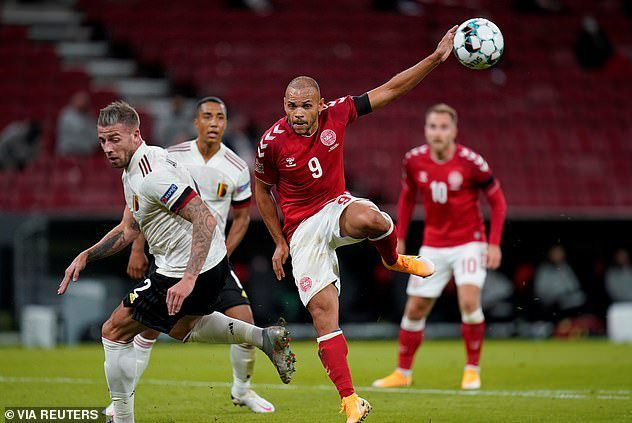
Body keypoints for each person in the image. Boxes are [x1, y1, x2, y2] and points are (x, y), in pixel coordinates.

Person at [254, 27, 457, 422]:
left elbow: (392, 88)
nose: (297, 114)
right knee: (324, 317)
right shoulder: (271, 142)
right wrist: (279, 241)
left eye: (305, 106)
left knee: (374, 219)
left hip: (335, 207)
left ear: (319, 104)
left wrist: (435, 58)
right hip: (301, 231)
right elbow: (262, 192)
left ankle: (394, 259)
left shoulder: (340, 112)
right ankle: (350, 400)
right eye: (291, 106)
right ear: (284, 104)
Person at [58, 101, 295, 423]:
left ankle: (122, 417)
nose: (107, 148)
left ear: (135, 134)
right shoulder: (142, 163)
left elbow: (206, 219)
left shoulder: (153, 176)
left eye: (114, 139)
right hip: (203, 264)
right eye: (102, 140)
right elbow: (130, 228)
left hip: (185, 268)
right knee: (184, 327)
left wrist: (187, 279)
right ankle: (262, 338)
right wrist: (87, 254)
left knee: (113, 330)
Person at [104, 96, 275, 417]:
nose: (213, 123)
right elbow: (143, 201)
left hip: (210, 259)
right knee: (149, 328)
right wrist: (138, 248)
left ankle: (242, 389)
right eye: (207, 117)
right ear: (195, 122)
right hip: (172, 259)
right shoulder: (172, 156)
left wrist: (222, 256)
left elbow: (240, 219)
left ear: (225, 124)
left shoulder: (238, 167)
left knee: (244, 320)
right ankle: (121, 400)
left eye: (220, 118)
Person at [372, 103, 508, 391]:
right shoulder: (413, 160)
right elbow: (407, 198)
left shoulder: (472, 162)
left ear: (454, 131)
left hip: (469, 243)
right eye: (433, 126)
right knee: (415, 309)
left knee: (469, 302)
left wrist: (493, 243)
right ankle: (402, 373)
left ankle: (472, 369)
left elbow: (498, 201)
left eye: (444, 127)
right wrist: (401, 235)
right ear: (426, 129)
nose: (437, 132)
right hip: (433, 245)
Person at [534, 245, 586, 320]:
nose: (559, 255)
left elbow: (574, 285)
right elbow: (539, 292)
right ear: (550, 254)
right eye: (556, 253)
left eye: (560, 253)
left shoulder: (565, 267)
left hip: (568, 302)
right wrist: (556, 295)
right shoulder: (544, 270)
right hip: (551, 304)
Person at [56, 91, 97, 155]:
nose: (83, 102)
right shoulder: (66, 115)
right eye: (80, 100)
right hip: (68, 152)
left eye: (85, 101)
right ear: (74, 101)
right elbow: (76, 135)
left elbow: (95, 134)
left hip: (86, 152)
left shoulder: (89, 115)